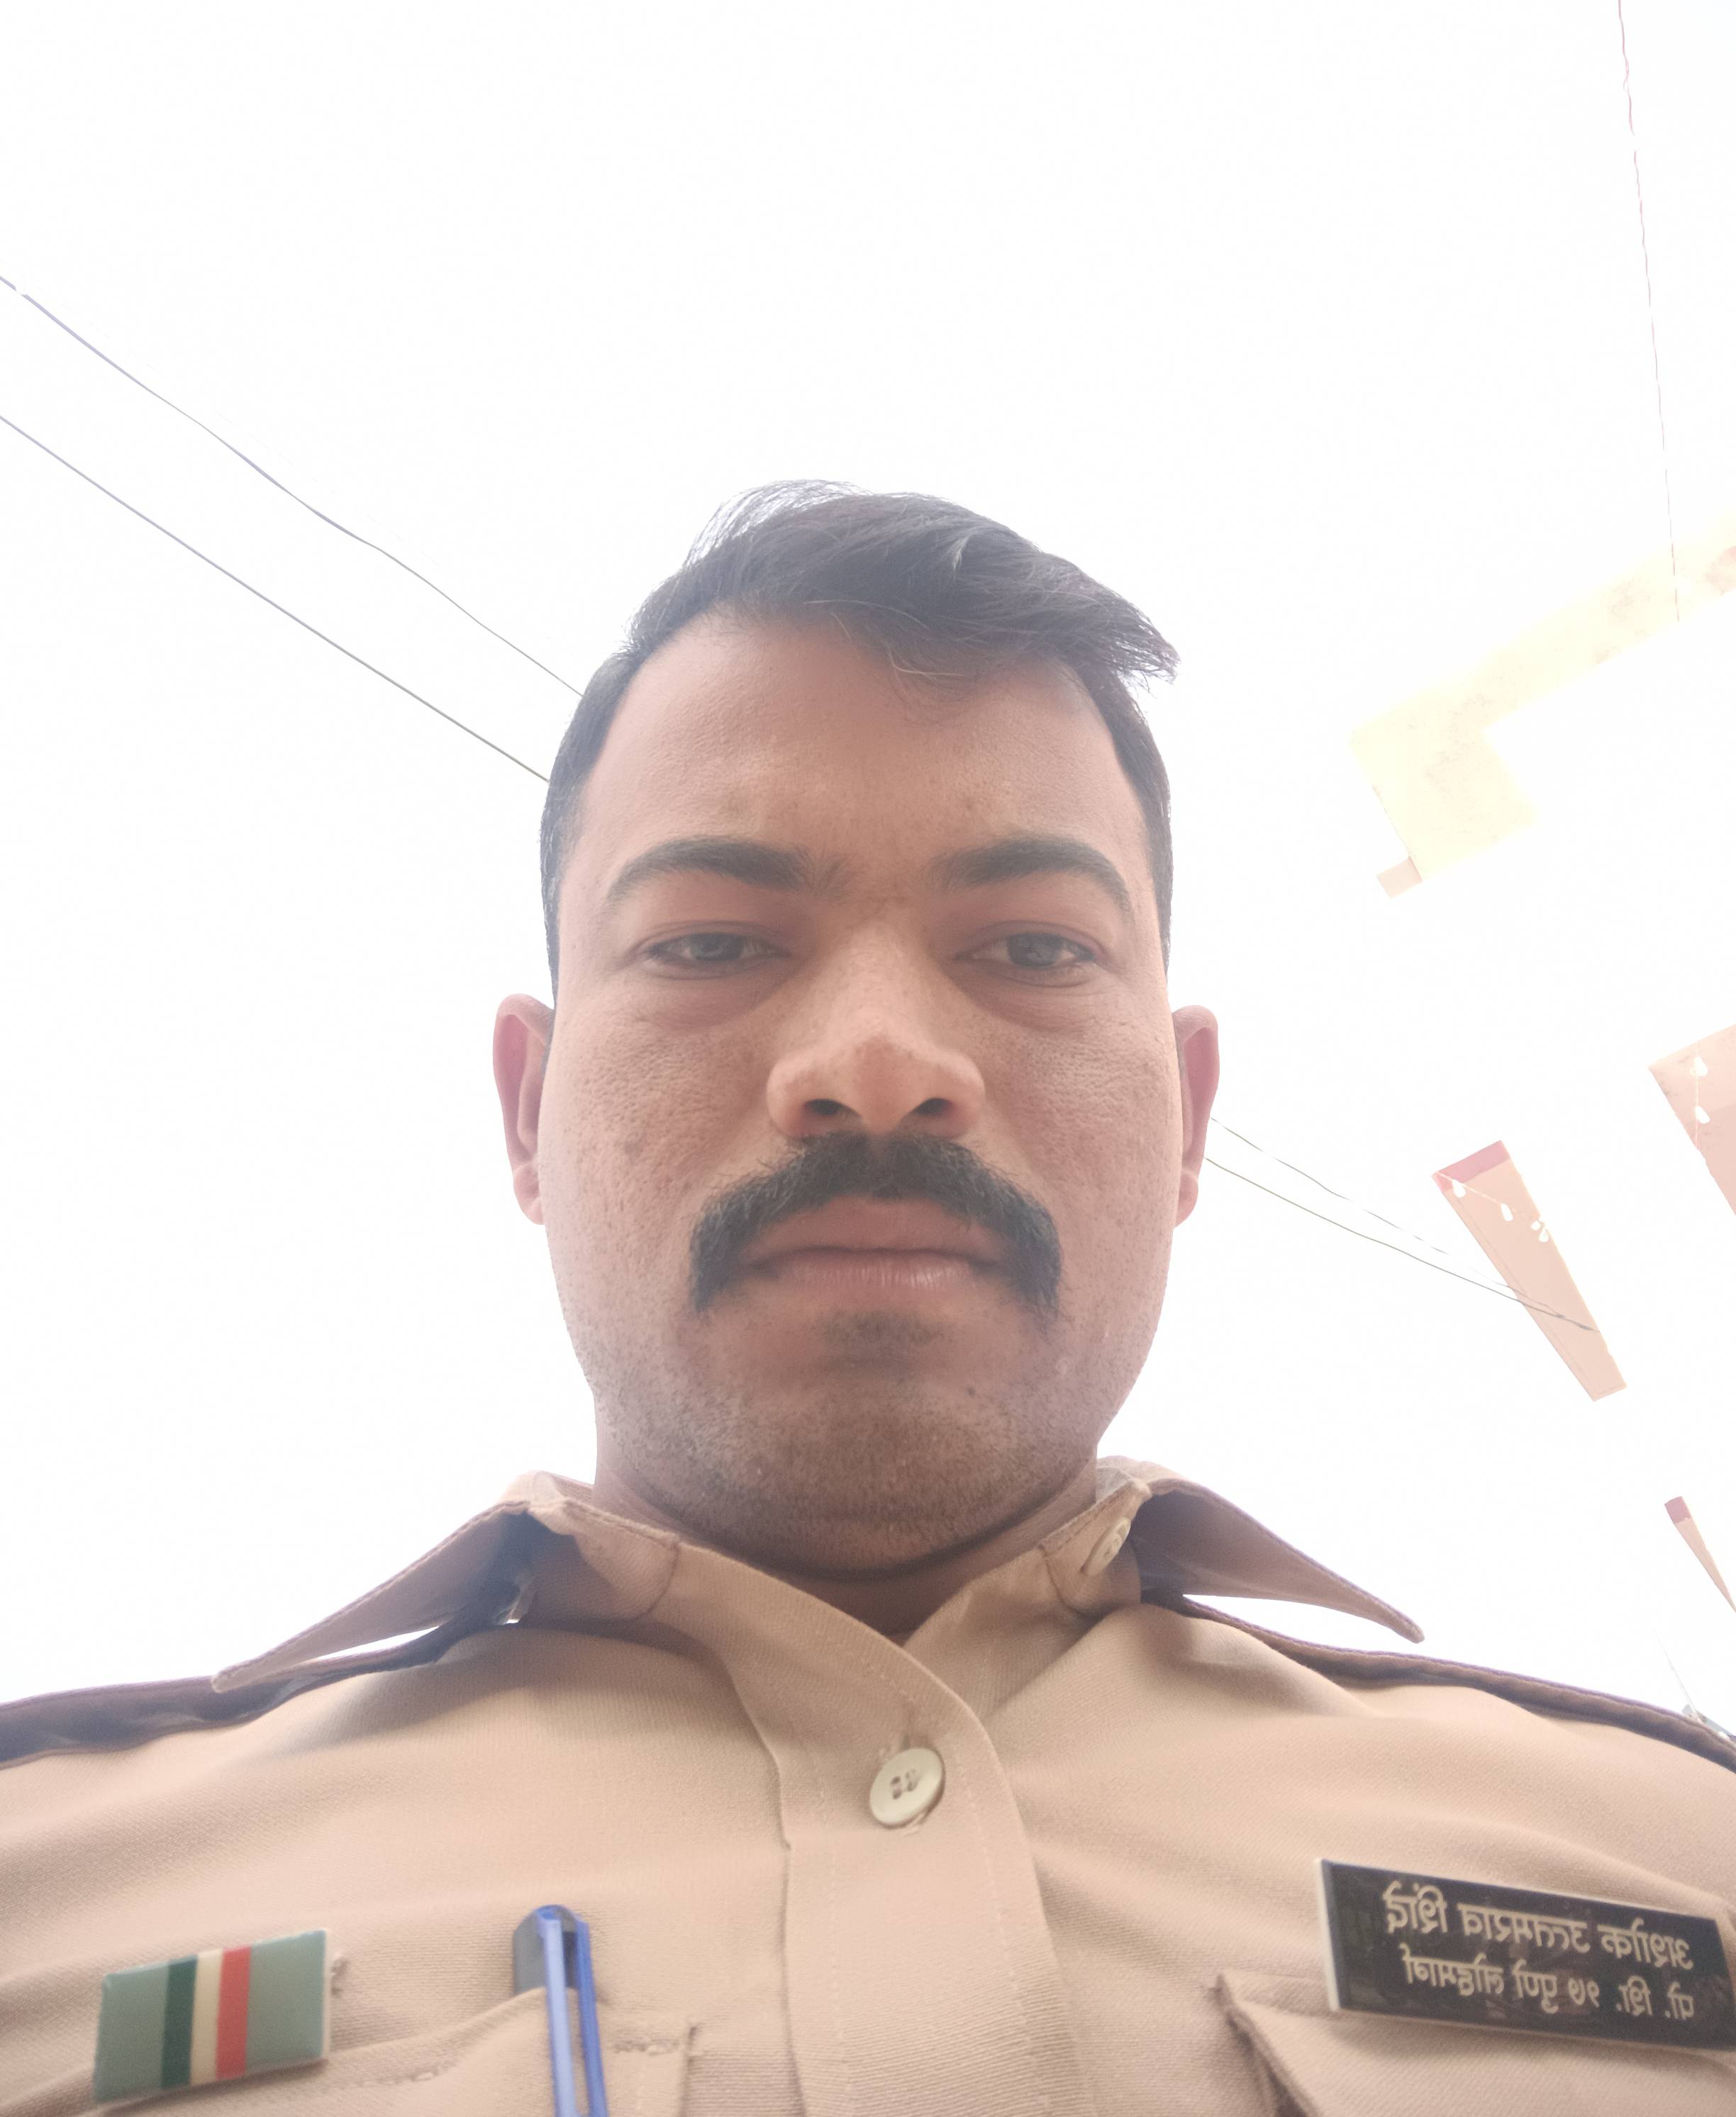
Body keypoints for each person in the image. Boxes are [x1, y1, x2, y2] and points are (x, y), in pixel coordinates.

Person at [3, 482, 1732, 2116]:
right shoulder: (46, 1895)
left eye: (1035, 948)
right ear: (527, 1111)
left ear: (1189, 1119)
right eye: (711, 943)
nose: (881, 1063)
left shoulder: (1677, 1854)